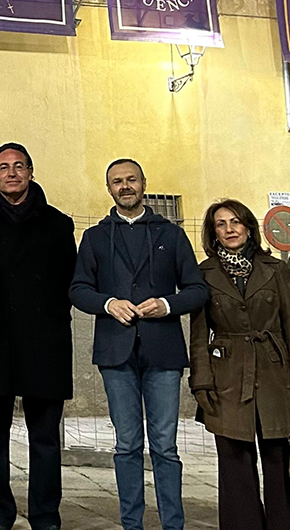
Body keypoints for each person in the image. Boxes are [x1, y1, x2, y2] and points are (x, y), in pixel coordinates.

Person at [69, 158, 209, 530]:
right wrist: (108, 304)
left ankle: (172, 524)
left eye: (131, 179)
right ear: (108, 188)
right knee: (127, 445)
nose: (125, 186)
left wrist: (166, 304)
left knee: (165, 446)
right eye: (117, 181)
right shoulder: (95, 237)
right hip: (116, 353)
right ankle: (132, 524)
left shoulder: (171, 234)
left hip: (163, 352)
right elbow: (78, 289)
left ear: (144, 183)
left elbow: (196, 289)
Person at [189, 199, 290, 530]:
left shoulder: (275, 269)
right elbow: (199, 333)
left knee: (279, 462)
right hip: (226, 376)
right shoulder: (203, 273)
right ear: (213, 233)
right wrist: (200, 381)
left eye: (236, 222)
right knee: (234, 466)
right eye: (221, 224)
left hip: (274, 372)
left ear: (248, 227)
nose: (229, 229)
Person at [0, 143, 76, 530]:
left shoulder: (58, 223)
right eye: (3, 167)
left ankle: (46, 517)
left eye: (19, 166)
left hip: (44, 343)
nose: (11, 173)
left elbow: (69, 279)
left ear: (31, 171)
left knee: (45, 439)